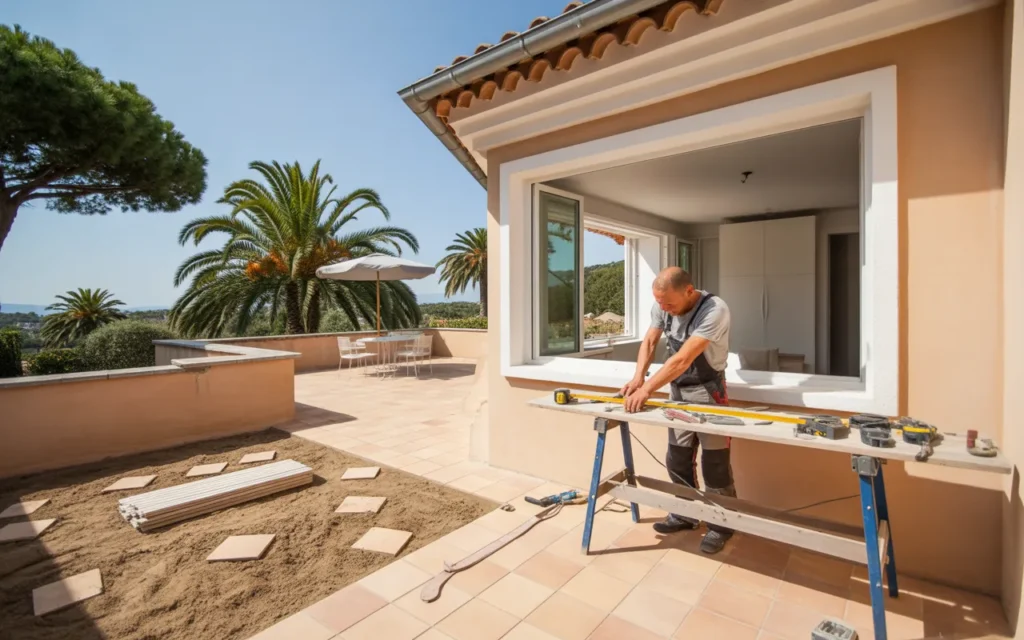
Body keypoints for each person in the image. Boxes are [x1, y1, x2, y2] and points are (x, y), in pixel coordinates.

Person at [620, 266, 737, 554]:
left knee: (715, 465)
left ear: (688, 291)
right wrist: (638, 378)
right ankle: (685, 515)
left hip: (709, 392)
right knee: (677, 458)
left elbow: (682, 359)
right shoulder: (663, 302)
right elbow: (649, 341)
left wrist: (647, 390)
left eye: (669, 304)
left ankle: (721, 525)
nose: (664, 309)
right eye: (659, 303)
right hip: (678, 392)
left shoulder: (714, 310)